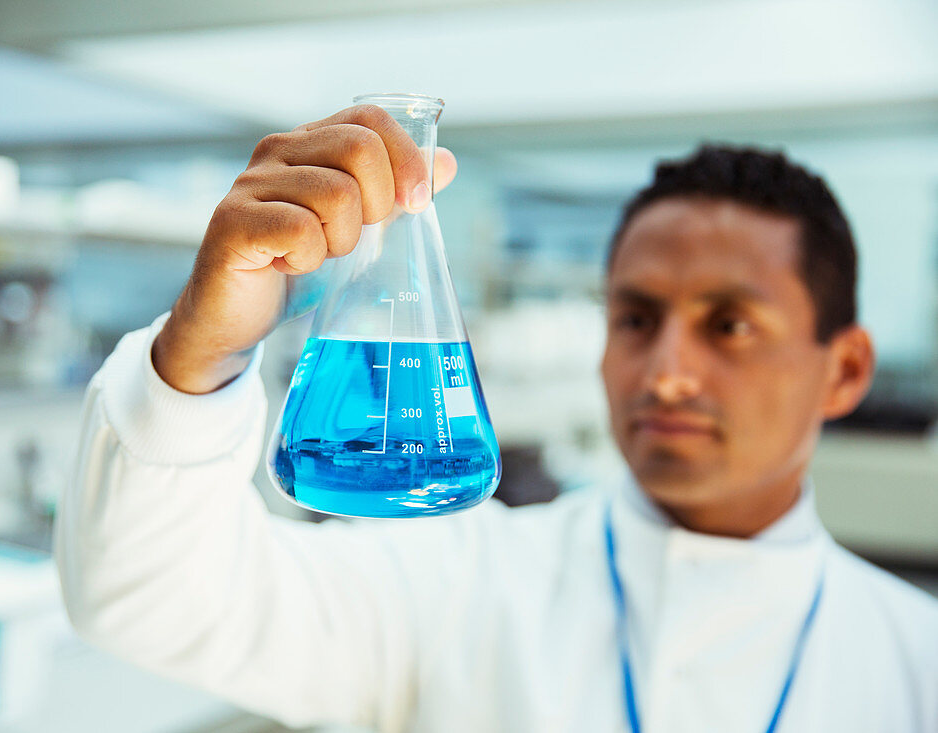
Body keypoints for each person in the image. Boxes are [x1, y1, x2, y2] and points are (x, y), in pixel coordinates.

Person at [55, 105, 938, 733]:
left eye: (731, 326)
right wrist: (200, 355)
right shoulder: (458, 581)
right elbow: (148, 599)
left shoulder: (916, 664)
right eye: (635, 318)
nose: (665, 373)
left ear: (847, 367)